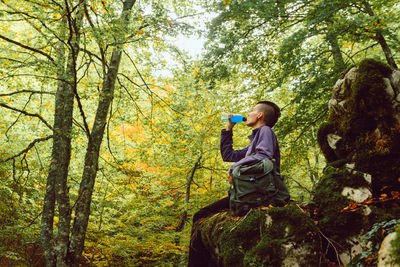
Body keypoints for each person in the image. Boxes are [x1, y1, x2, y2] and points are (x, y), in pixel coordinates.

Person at [188, 101, 281, 267]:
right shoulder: (255, 141)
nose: (249, 113)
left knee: (199, 215)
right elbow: (228, 155)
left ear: (260, 115)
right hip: (245, 193)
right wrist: (228, 128)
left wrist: (235, 167)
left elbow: (264, 155)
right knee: (200, 216)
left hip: (259, 193)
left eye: (252, 111)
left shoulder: (266, 131)